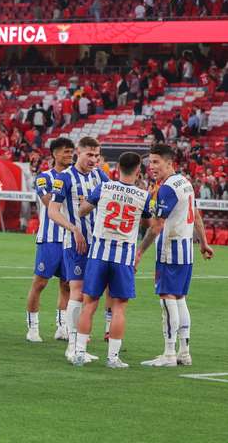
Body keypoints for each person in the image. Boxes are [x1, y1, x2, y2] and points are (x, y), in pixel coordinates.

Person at [72, 152, 152, 368]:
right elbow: (149, 223)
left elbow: (82, 210)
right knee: (119, 308)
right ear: (138, 170)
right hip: (123, 256)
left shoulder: (104, 188)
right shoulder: (143, 195)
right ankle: (113, 358)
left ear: (117, 169)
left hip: (99, 253)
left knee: (89, 304)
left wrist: (91, 203)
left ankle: (79, 353)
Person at [136, 144, 214, 367]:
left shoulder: (168, 188)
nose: (152, 167)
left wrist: (140, 251)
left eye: (156, 162)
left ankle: (169, 354)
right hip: (186, 250)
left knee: (168, 298)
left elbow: (157, 226)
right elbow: (196, 215)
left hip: (170, 249)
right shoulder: (185, 182)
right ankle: (184, 352)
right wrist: (203, 243)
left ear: (169, 163)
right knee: (180, 298)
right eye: (150, 162)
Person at [47, 136, 109, 363]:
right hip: (75, 242)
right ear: (78, 153)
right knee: (77, 290)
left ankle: (80, 345)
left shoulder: (101, 176)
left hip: (98, 243)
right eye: (89, 155)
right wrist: (73, 228)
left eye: (97, 155)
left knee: (90, 294)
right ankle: (72, 345)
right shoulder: (64, 178)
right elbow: (53, 211)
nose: (94, 159)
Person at [25, 137, 73, 343]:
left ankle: (62, 326)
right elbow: (48, 202)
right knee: (40, 283)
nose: (69, 155)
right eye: (65, 151)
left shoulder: (76, 177)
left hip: (70, 238)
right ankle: (33, 328)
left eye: (71, 152)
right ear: (54, 154)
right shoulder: (44, 177)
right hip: (50, 238)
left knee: (67, 285)